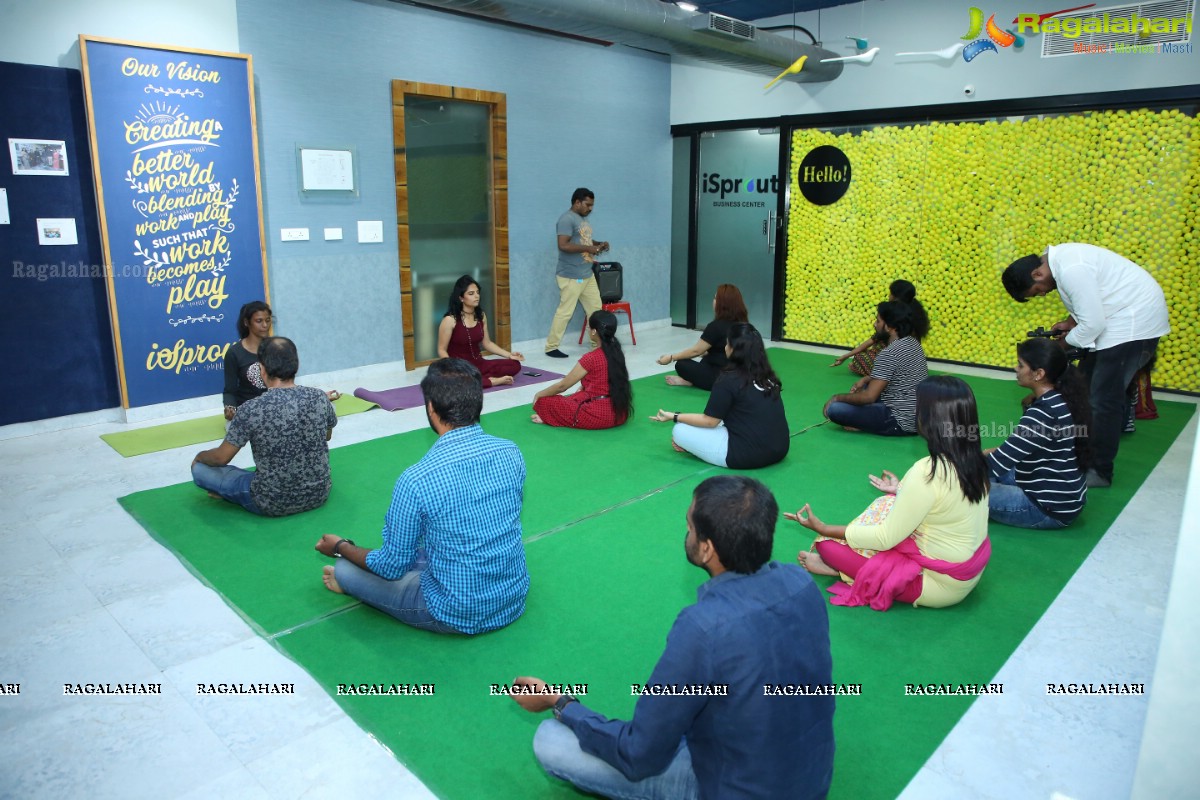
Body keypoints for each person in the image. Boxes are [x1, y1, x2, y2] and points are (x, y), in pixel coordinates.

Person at [510, 476, 835, 800]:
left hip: (732, 787)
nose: (687, 535)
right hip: (811, 781)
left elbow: (639, 755)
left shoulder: (703, 627)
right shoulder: (801, 583)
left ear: (707, 549)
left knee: (550, 739)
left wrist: (561, 703)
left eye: (690, 528)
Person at [314, 358, 529, 634]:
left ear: (431, 408)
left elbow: (391, 566)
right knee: (431, 549)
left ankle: (350, 578)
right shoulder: (511, 452)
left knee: (345, 569)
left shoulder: (417, 479)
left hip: (454, 612)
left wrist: (340, 546)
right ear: (478, 402)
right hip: (512, 597)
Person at [788, 376, 991, 611]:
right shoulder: (975, 460)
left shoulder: (927, 471)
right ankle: (848, 569)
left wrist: (823, 528)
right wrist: (901, 491)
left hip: (936, 584)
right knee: (886, 501)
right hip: (967, 571)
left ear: (930, 418)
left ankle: (843, 569)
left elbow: (885, 538)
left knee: (827, 546)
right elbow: (947, 501)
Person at [1001, 244, 1170, 488]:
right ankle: (1095, 443)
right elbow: (1095, 299)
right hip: (1121, 321)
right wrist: (1070, 323)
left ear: (1037, 274)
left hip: (1132, 325)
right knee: (1086, 387)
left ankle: (1098, 470)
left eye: (1036, 291)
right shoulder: (1063, 265)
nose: (1042, 295)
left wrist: (1062, 346)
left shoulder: (1071, 269)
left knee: (1102, 400)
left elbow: (1093, 324)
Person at [193, 337, 337, 516]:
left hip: (269, 501)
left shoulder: (251, 408)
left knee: (200, 470)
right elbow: (326, 436)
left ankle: (226, 492)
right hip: (319, 493)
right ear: (296, 365)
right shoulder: (320, 397)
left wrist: (199, 457)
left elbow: (220, 458)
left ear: (261, 369)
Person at [650, 323, 789, 469]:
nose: (725, 347)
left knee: (679, 430)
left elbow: (709, 421)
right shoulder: (767, 376)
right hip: (779, 448)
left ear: (734, 350)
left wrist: (674, 416)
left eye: (727, 344)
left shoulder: (728, 379)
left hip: (744, 455)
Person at [985, 338, 1089, 529]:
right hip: (1065, 498)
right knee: (979, 472)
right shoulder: (1062, 398)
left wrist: (954, 466)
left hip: (1046, 508)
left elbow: (995, 464)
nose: (1016, 369)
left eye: (1020, 365)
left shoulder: (1042, 413)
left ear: (1039, 374)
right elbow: (1017, 450)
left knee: (957, 488)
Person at [823, 301, 928, 436]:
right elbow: (898, 373)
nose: (874, 324)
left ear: (890, 327)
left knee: (835, 409)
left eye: (878, 321)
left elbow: (869, 398)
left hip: (899, 421)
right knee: (865, 388)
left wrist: (836, 397)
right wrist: (867, 379)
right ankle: (864, 420)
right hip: (918, 416)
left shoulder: (889, 353)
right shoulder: (912, 342)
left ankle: (864, 423)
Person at [531, 310, 632, 429]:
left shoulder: (591, 358)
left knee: (545, 401)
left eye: (590, 328)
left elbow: (562, 386)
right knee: (579, 394)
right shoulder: (617, 352)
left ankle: (551, 416)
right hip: (619, 414)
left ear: (594, 331)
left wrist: (539, 394)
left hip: (597, 416)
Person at [545, 187, 609, 358]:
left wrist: (598, 244)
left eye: (592, 205)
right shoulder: (566, 219)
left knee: (595, 311)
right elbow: (563, 245)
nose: (590, 208)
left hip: (586, 274)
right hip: (571, 276)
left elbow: (583, 240)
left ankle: (598, 345)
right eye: (587, 205)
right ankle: (551, 347)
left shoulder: (581, 220)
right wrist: (589, 248)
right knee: (565, 312)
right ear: (577, 202)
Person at [657, 283, 749, 390]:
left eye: (715, 298)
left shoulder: (716, 326)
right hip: (741, 375)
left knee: (681, 364)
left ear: (722, 304)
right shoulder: (744, 324)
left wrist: (671, 357)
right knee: (706, 356)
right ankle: (692, 380)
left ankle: (692, 381)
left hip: (720, 378)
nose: (713, 301)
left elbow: (696, 351)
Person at [830, 279, 931, 377]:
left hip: (896, 361)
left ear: (895, 296)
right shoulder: (915, 312)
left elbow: (874, 339)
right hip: (911, 364)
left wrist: (846, 356)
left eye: (878, 321)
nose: (889, 296)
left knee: (860, 358)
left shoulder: (895, 314)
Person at [438, 275, 523, 388]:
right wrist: (452, 367)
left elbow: (487, 343)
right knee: (459, 378)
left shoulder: (481, 316)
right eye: (471, 293)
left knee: (515, 365)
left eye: (477, 292)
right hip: (460, 367)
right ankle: (493, 381)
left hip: (479, 364)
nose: (476, 296)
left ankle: (481, 379)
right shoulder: (450, 320)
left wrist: (509, 355)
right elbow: (441, 349)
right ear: (461, 298)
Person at [223, 301, 272, 420]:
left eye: (268, 320)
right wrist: (230, 407)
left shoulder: (277, 348)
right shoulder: (234, 353)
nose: (265, 325)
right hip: (247, 412)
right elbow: (230, 391)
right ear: (246, 322)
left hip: (274, 409)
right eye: (259, 321)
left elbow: (286, 383)